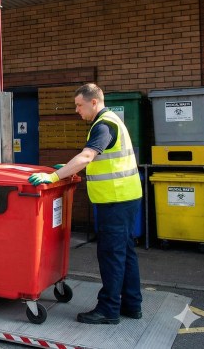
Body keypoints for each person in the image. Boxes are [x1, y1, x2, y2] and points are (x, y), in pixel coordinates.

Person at [28, 83, 143, 325]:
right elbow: (98, 160)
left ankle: (108, 310)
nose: (77, 110)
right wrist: (69, 168)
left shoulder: (103, 125)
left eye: (79, 105)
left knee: (111, 255)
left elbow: (88, 155)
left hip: (115, 201)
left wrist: (53, 177)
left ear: (94, 102)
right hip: (126, 197)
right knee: (125, 253)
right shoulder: (111, 121)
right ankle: (132, 305)